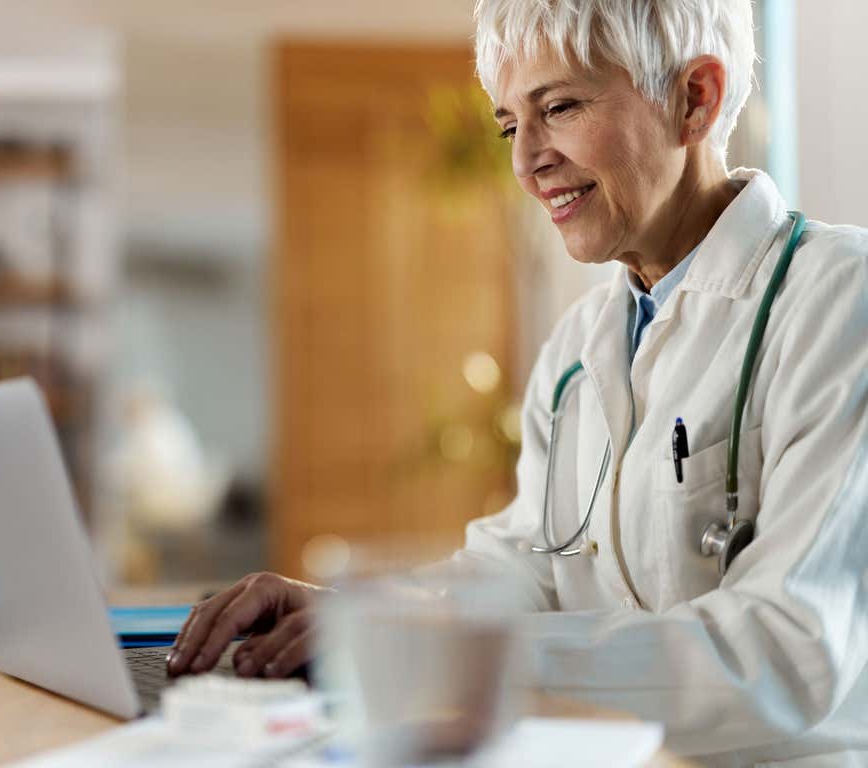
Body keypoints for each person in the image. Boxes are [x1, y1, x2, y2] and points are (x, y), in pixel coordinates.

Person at [167, 1, 868, 764]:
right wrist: (363, 619)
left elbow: (790, 651)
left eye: (559, 107)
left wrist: (461, 654)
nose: (526, 160)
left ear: (694, 98)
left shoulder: (838, 301)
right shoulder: (578, 348)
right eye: (509, 125)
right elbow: (523, 569)